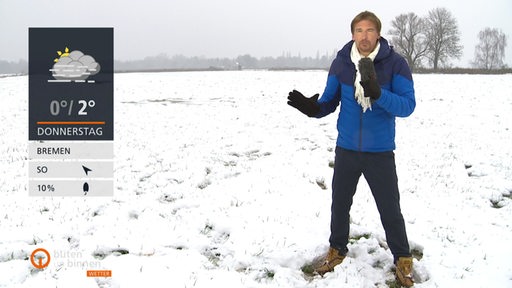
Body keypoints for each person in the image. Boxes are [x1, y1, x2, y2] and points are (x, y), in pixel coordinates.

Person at [287, 11, 415, 287]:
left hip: (379, 152)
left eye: (370, 30)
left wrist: (379, 94)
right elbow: (329, 102)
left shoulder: (395, 64)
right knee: (339, 204)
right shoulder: (342, 64)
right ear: (352, 34)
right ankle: (337, 250)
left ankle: (403, 259)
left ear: (378, 34)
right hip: (346, 149)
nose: (364, 36)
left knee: (390, 208)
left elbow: (407, 106)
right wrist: (312, 109)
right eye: (359, 30)